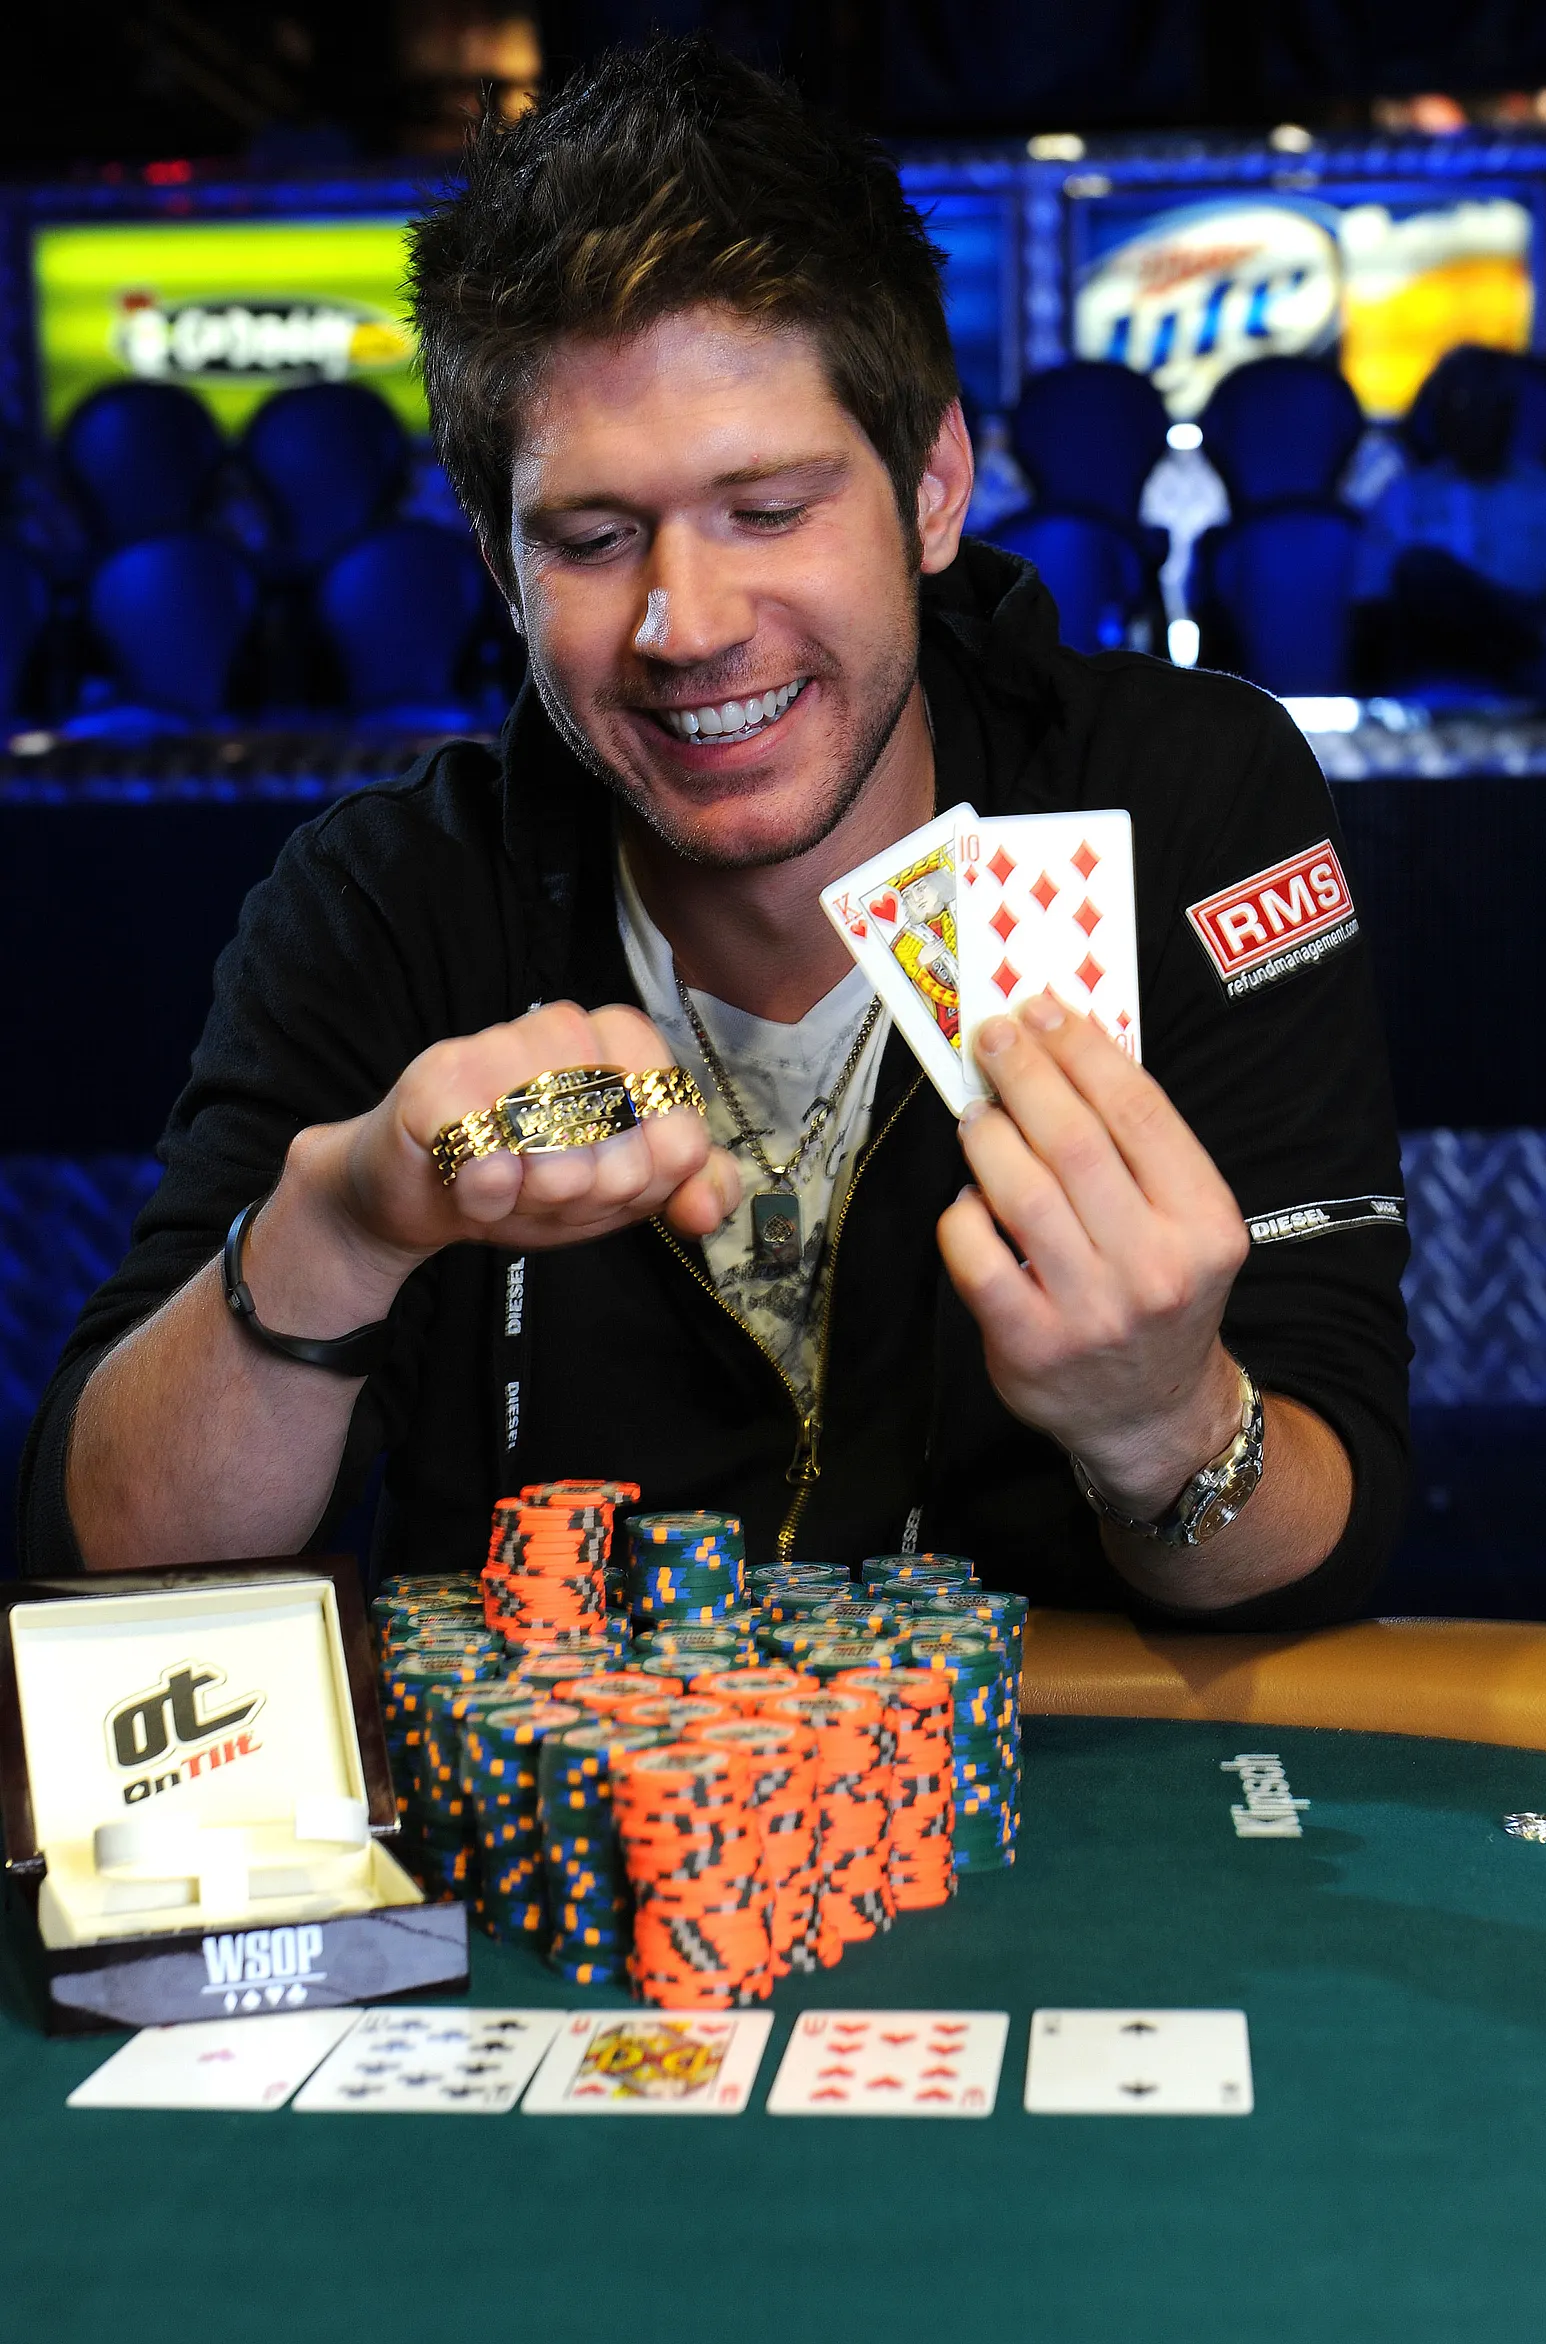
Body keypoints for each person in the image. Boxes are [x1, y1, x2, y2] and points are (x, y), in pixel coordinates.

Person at [21, 38, 1409, 1628]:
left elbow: (1332, 1513)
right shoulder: (390, 901)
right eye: (596, 537)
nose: (687, 625)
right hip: (564, 1775)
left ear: (933, 486)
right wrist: (338, 1227)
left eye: (768, 510)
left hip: (1066, 1764)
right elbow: (113, 1576)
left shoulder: (1185, 797)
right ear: (499, 564)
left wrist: (1166, 1423)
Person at [1352, 344, 1546, 704]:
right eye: (1460, 404)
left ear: (1509, 415)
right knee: (1421, 570)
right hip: (1434, 669)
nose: (1475, 418)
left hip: (1532, 677)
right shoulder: (1402, 497)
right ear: (1438, 417)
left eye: (1490, 404)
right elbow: (1370, 610)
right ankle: (1525, 637)